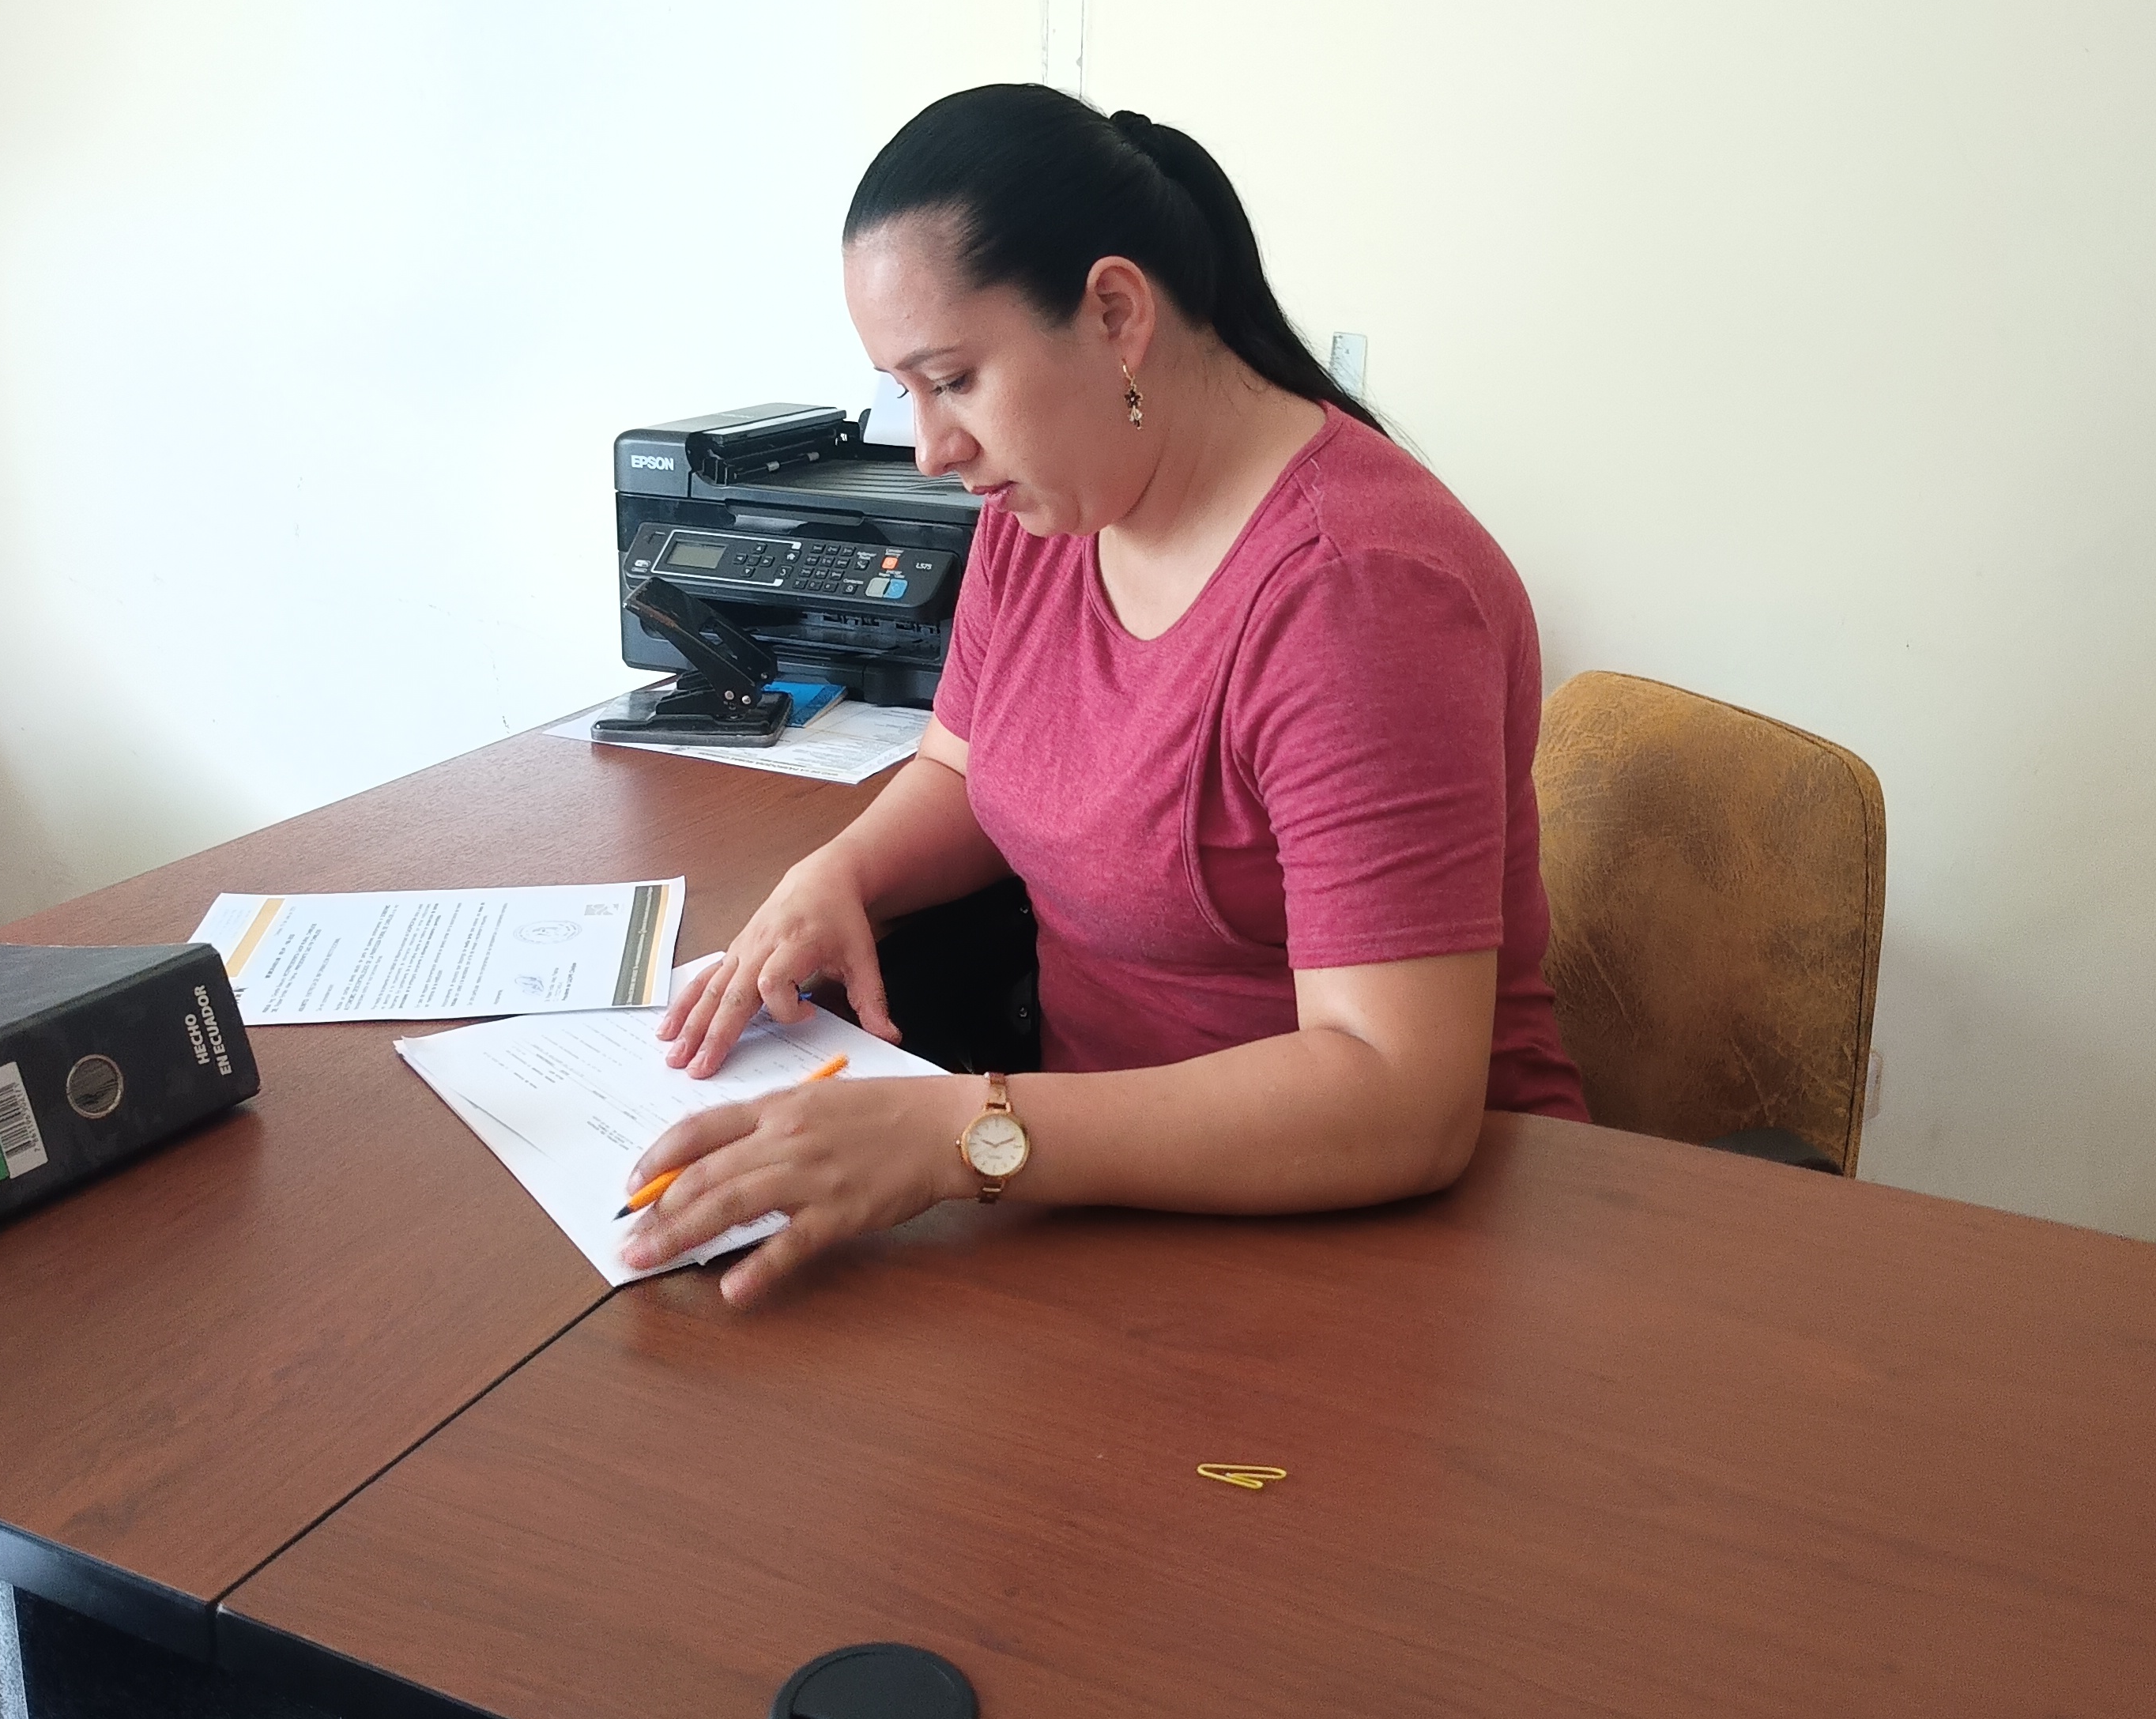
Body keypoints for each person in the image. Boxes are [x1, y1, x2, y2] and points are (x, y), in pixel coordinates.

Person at [624, 84, 1587, 1304]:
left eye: (953, 380)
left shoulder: (1358, 595)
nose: (930, 449)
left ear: (1116, 315)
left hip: (1395, 1241)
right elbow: (965, 769)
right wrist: (843, 874)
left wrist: (959, 1135)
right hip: (1100, 1195)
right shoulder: (1050, 507)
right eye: (903, 391)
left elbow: (1398, 1095)